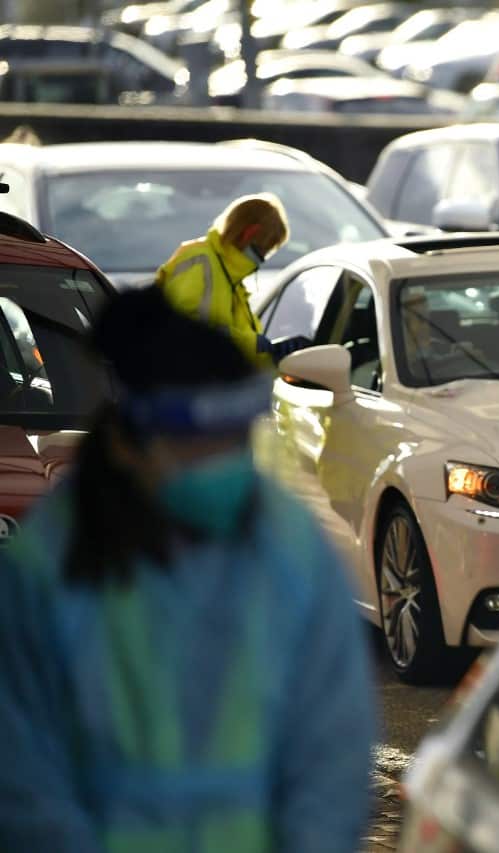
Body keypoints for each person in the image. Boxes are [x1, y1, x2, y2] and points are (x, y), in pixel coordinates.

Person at [0, 287, 376, 852]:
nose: (224, 463)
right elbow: (23, 773)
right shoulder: (45, 567)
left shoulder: (291, 547)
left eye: (234, 441)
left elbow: (333, 744)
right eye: (200, 446)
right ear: (130, 445)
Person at [155, 193, 309, 369]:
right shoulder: (200, 261)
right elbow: (185, 331)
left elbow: (231, 343)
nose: (262, 259)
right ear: (249, 234)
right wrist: (259, 346)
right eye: (263, 249)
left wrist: (271, 352)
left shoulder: (230, 277)